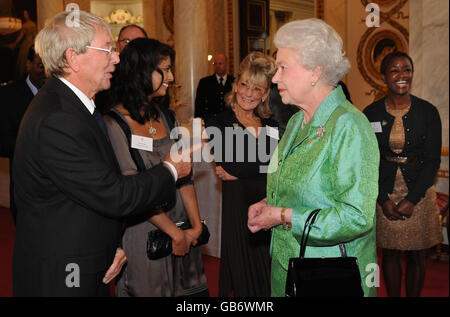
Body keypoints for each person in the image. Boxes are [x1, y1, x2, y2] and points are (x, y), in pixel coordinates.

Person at [12, 11, 193, 297]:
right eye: (108, 49)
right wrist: (171, 170)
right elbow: (114, 194)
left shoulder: (76, 106)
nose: (117, 58)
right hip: (62, 273)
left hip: (85, 259)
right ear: (73, 58)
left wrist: (110, 246)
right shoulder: (58, 118)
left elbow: (89, 193)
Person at [247, 19, 380, 297]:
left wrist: (282, 216)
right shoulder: (297, 122)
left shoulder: (349, 126)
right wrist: (268, 204)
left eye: (283, 67)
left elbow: (357, 217)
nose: (274, 78)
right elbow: (304, 190)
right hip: (287, 265)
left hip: (327, 274)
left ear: (315, 71)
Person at [104, 38, 209, 297]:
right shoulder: (114, 124)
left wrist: (194, 228)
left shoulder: (167, 116)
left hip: (183, 227)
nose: (171, 76)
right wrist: (174, 234)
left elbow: (185, 177)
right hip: (146, 234)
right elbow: (132, 188)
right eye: (165, 69)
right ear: (141, 72)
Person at [363, 51, 442, 297]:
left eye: (406, 69)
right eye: (394, 70)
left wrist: (413, 199)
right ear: (384, 77)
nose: (401, 75)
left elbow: (432, 161)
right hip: (384, 191)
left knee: (418, 255)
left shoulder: (428, 112)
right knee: (390, 253)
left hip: (418, 191)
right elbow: (367, 161)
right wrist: (383, 199)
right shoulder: (371, 113)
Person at [205, 51, 278, 297]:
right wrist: (264, 166)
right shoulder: (218, 123)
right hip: (239, 208)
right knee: (245, 279)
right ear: (235, 86)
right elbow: (232, 165)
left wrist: (247, 168)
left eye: (257, 89)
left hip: (270, 206)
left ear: (266, 94)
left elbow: (281, 164)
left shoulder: (271, 124)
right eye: (244, 84)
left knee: (270, 278)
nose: (248, 93)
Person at [0, 45, 47, 224]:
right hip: (25, 188)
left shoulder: (60, 94)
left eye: (50, 66)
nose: (45, 72)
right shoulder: (7, 95)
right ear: (28, 65)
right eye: (40, 66)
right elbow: (3, 144)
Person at [94, 24, 148, 113]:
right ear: (118, 46)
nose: (132, 45)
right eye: (126, 41)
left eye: (138, 41)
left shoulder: (155, 74)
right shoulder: (108, 74)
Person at [195, 54, 234, 121]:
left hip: (229, 121)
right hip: (210, 121)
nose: (217, 66)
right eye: (215, 64)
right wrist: (198, 122)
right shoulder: (204, 82)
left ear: (226, 64)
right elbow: (199, 105)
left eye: (220, 63)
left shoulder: (234, 81)